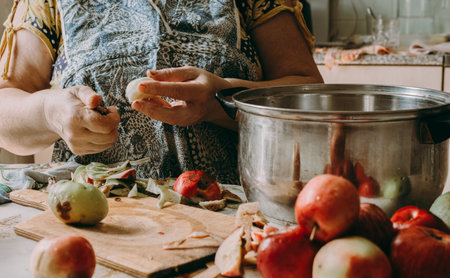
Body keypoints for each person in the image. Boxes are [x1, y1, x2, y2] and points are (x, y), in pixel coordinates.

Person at [0, 0, 323, 184]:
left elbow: (310, 94)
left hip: (235, 208)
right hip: (93, 215)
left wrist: (222, 100)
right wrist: (48, 113)